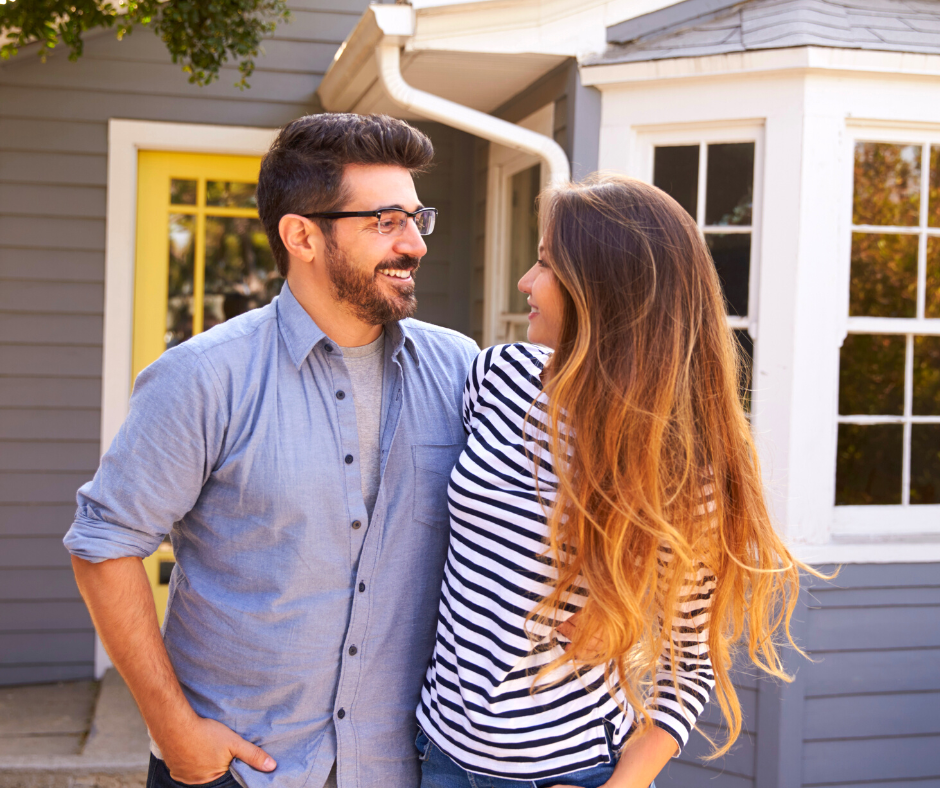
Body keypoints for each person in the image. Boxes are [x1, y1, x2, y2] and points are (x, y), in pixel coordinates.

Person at [63, 114, 478, 788]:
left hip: (403, 769)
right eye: (387, 221)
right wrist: (174, 729)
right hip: (237, 770)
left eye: (416, 218)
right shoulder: (203, 377)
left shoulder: (461, 371)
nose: (415, 245)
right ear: (303, 235)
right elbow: (103, 544)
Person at [415, 174, 808, 788]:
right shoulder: (498, 378)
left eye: (545, 264)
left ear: (604, 293)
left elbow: (690, 667)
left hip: (566, 772)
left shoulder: (686, 474)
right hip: (436, 754)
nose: (525, 281)